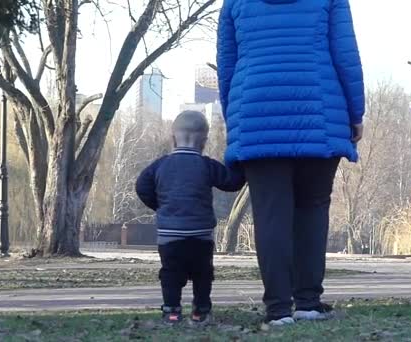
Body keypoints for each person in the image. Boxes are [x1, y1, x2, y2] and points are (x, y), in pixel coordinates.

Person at [217, 0, 364, 326]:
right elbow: (346, 56)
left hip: (256, 112)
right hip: (318, 111)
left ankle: (279, 310)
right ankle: (308, 303)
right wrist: (356, 113)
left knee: (270, 216)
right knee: (312, 208)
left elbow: (226, 65)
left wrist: (236, 118)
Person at [135, 110, 245, 325]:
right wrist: (239, 163)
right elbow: (232, 183)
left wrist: (161, 206)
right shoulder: (207, 165)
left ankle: (172, 311)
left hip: (169, 235)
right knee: (203, 273)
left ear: (172, 137)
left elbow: (141, 186)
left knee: (170, 273)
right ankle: (201, 310)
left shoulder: (160, 165)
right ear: (204, 141)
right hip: (201, 235)